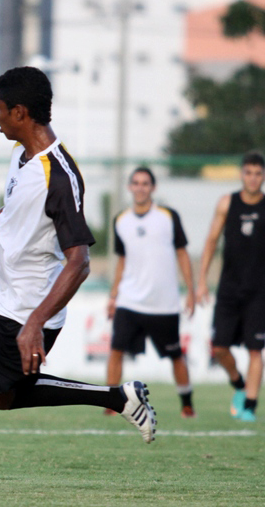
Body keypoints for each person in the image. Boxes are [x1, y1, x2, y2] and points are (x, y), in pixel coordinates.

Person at [0, 67, 156, 496]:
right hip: (10, 302)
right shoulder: (24, 156)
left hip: (24, 312)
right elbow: (13, 215)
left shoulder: (58, 177)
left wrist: (33, 323)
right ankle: (118, 397)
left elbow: (79, 261)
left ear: (20, 113)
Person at [105, 167, 196, 418]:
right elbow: (122, 260)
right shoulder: (121, 220)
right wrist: (113, 296)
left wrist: (191, 290)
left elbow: (182, 253)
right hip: (129, 300)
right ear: (130, 187)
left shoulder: (168, 217)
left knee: (175, 355)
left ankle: (187, 403)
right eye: (135, 183)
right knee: (116, 349)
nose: (140, 187)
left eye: (145, 183)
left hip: (163, 303)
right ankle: (111, 403)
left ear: (153, 188)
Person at [197, 152, 265, 422]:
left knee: (255, 349)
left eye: (258, 173)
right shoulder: (227, 203)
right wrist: (201, 280)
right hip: (228, 289)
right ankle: (238, 384)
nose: (253, 178)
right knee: (220, 348)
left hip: (259, 291)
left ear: (262, 176)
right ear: (241, 174)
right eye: (248, 172)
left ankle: (249, 406)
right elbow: (211, 241)